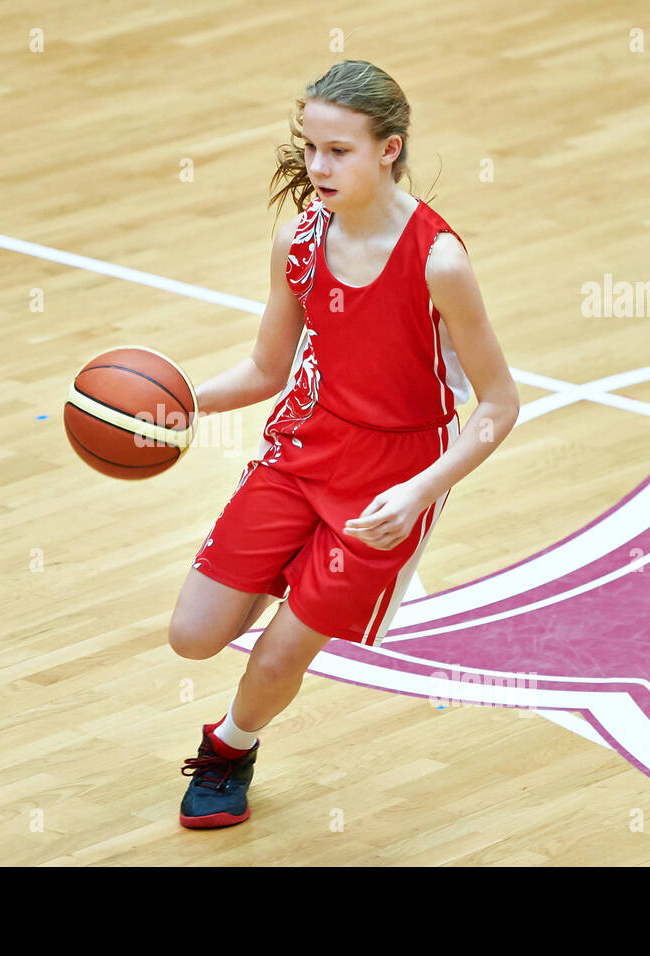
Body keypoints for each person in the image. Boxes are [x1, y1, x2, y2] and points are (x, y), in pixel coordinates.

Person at [168, 60, 520, 829]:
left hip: (390, 483)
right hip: (303, 449)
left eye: (338, 151)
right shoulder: (297, 238)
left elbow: (498, 404)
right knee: (192, 635)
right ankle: (294, 563)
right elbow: (267, 367)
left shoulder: (438, 261)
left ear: (389, 148)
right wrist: (182, 403)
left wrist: (423, 490)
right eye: (310, 149)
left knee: (276, 656)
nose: (317, 168)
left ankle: (230, 748)